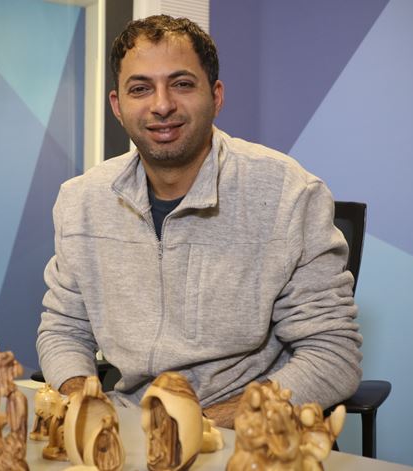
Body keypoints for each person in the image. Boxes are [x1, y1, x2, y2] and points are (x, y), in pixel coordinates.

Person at [36, 14, 362, 428]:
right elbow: (64, 328)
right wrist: (84, 404)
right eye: (140, 89)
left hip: (242, 430)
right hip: (129, 428)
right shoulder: (81, 200)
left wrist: (206, 426)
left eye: (182, 84)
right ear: (118, 106)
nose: (161, 105)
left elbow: (333, 355)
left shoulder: (289, 194)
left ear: (216, 96)